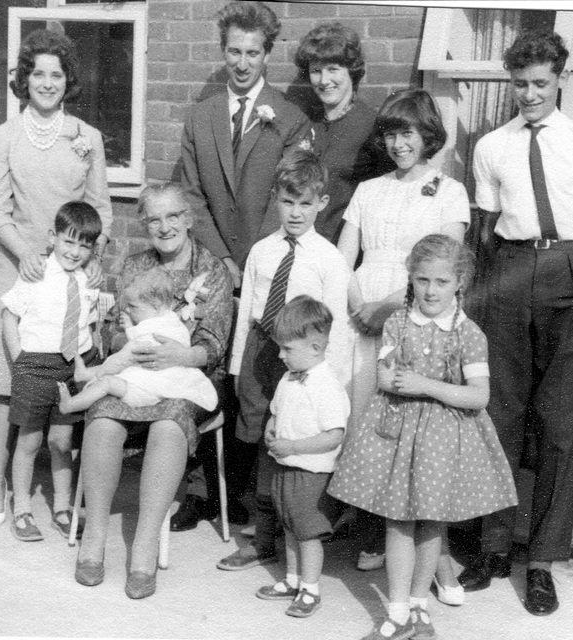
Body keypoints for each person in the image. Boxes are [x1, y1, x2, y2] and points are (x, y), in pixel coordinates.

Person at [457, 31, 573, 616]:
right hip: (511, 266)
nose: (528, 94)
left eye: (540, 84)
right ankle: (493, 546)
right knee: (499, 414)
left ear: (560, 81)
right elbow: (489, 219)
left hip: (570, 270)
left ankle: (542, 560)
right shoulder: (491, 146)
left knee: (558, 420)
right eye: (519, 83)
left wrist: (562, 259)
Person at [329, 234, 517, 640]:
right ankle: (397, 612)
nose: (430, 290)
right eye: (422, 280)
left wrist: (421, 384)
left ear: (460, 283)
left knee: (431, 523)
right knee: (398, 521)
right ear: (410, 279)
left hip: (443, 439)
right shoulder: (397, 322)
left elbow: (478, 395)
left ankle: (419, 606)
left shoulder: (468, 334)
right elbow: (385, 376)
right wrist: (405, 382)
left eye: (441, 282)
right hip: (396, 432)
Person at [175, 0, 311, 531]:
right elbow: (193, 196)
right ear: (222, 49)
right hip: (213, 268)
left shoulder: (290, 118)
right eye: (233, 50)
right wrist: (224, 260)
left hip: (267, 270)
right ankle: (206, 492)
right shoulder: (200, 114)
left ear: (267, 54)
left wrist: (250, 261)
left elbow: (291, 196)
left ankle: (255, 501)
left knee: (255, 380)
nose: (242, 62)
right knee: (208, 375)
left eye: (253, 52)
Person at [74, 183, 233, 599]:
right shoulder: (135, 264)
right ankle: (95, 534)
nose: (164, 227)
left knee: (169, 424)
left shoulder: (211, 269)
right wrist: (129, 349)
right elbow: (112, 327)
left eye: (172, 216)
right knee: (104, 417)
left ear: (188, 218)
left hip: (187, 380)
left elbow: (215, 345)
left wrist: (179, 356)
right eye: (154, 219)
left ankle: (144, 542)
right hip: (138, 372)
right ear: (144, 224)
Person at [337, 89, 470, 575]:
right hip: (362, 314)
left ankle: (431, 549)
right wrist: (359, 306)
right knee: (366, 420)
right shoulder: (368, 190)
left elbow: (444, 264)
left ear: (427, 134)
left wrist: (385, 306)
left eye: (408, 133)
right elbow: (343, 257)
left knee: (414, 425)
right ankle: (373, 532)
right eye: (391, 133)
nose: (398, 143)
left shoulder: (449, 190)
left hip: (417, 314)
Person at [0, 28, 111, 528]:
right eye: (37, 72)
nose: (46, 82)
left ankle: (58, 496)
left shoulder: (86, 138)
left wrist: (93, 258)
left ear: (68, 81)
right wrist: (24, 252)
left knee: (62, 373)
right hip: (19, 268)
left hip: (72, 269)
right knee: (5, 383)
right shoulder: (3, 136)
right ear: (23, 78)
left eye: (55, 74)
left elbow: (101, 207)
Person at [217, 148, 350, 571]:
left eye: (305, 203)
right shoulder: (261, 250)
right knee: (261, 438)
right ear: (276, 198)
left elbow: (336, 327)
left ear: (321, 204)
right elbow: (248, 312)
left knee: (294, 436)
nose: (295, 212)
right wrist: (239, 366)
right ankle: (261, 536)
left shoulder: (329, 258)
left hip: (305, 361)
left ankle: (293, 528)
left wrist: (329, 377)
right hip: (261, 351)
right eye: (288, 202)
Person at [1, 202, 103, 541]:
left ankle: (62, 507)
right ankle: (22, 511)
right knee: (29, 441)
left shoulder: (89, 279)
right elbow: (9, 317)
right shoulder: (36, 273)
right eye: (68, 242)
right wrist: (20, 362)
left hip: (70, 366)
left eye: (84, 245)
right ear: (52, 238)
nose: (75, 252)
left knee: (61, 441)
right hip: (34, 365)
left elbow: (88, 326)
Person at [256, 296, 350, 618]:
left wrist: (295, 447)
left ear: (314, 347)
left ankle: (311, 589)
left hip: (311, 473)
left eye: (287, 349)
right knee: (290, 526)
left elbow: (334, 435)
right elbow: (276, 411)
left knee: (308, 533)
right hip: (286, 467)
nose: (280, 356)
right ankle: (292, 580)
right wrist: (271, 427)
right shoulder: (289, 377)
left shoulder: (326, 385)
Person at [57, 268, 218, 414]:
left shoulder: (153, 331)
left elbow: (123, 358)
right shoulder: (172, 321)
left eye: (133, 307)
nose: (127, 310)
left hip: (147, 390)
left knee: (106, 382)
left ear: (155, 306)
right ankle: (84, 374)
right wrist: (129, 325)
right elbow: (138, 335)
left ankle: (72, 404)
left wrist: (100, 373)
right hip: (164, 384)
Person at [293, 22, 393, 244]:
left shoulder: (371, 126)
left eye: (333, 69)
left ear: (352, 71)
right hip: (300, 246)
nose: (324, 80)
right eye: (316, 71)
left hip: (344, 249)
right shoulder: (306, 122)